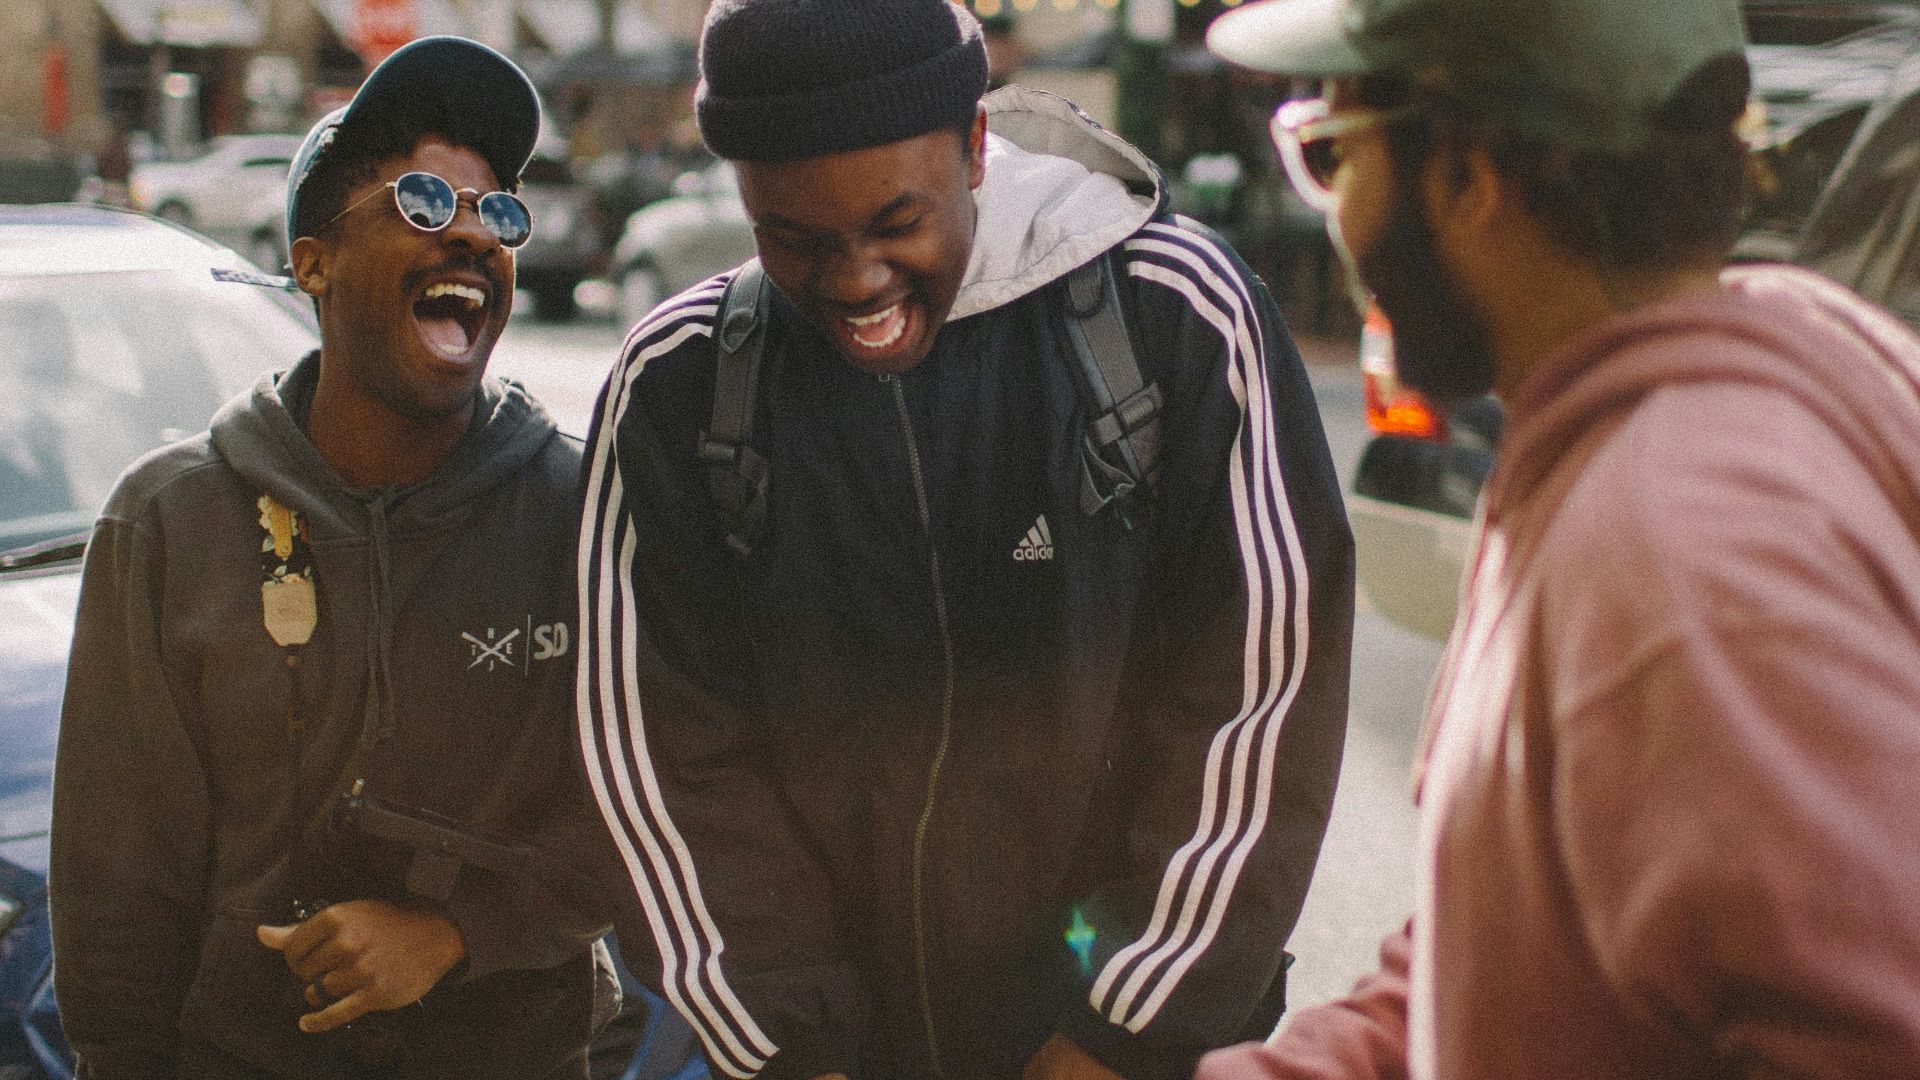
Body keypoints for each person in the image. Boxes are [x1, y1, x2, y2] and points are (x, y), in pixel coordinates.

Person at [576, 2, 1355, 1079]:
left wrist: (1115, 1034)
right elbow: (661, 763)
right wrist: (797, 1045)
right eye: (795, 238)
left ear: (977, 147)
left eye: (897, 222)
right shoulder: (675, 388)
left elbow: (1259, 702)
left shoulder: (1178, 315)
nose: (855, 281)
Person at [1198, 0, 1920, 1076]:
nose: (1335, 216)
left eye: (1331, 151)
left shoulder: (1680, 563)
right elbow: (1502, 938)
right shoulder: (1748, 366)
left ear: (1469, 174)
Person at [50, 36, 619, 1079]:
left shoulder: (582, 505)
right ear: (312, 261)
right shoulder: (168, 524)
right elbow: (116, 897)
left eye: (497, 214)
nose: (471, 237)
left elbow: (658, 814)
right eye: (420, 204)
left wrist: (458, 933)